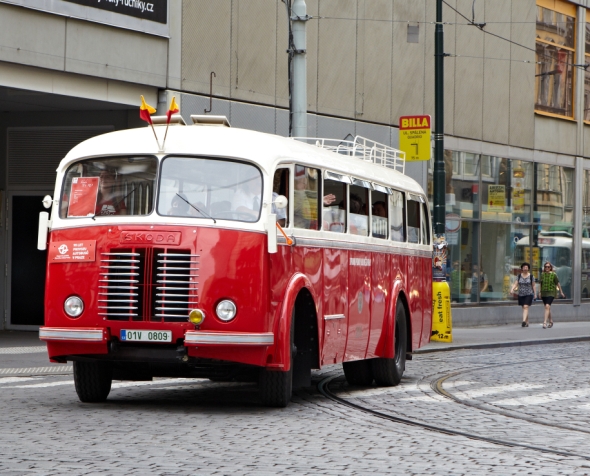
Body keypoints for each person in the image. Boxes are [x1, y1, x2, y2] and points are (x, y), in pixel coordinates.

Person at [510, 262, 537, 327]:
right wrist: (512, 289)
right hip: (521, 294)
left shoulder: (531, 276)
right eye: (524, 267)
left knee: (525, 306)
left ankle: (523, 321)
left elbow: (533, 286)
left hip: (529, 294)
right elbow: (515, 283)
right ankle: (527, 322)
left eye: (526, 267)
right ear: (522, 268)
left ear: (528, 269)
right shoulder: (519, 276)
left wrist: (535, 294)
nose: (525, 268)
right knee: (524, 307)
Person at [539, 261, 565, 329]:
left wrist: (561, 292)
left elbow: (558, 283)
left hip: (551, 292)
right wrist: (539, 292)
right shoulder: (542, 275)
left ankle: (544, 322)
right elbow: (540, 284)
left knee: (547, 306)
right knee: (547, 307)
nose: (547, 268)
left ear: (550, 268)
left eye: (548, 267)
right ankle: (551, 321)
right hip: (544, 292)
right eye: (545, 267)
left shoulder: (554, 274)